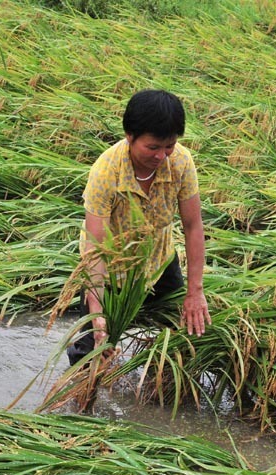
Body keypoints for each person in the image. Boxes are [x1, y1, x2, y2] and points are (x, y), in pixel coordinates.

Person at [66, 89, 210, 367]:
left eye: (168, 145)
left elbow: (193, 227)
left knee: (182, 336)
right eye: (153, 147)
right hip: (110, 270)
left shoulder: (180, 162)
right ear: (130, 136)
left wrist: (195, 291)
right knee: (92, 350)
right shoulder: (106, 172)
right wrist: (97, 315)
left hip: (159, 262)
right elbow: (95, 249)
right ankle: (81, 398)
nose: (161, 156)